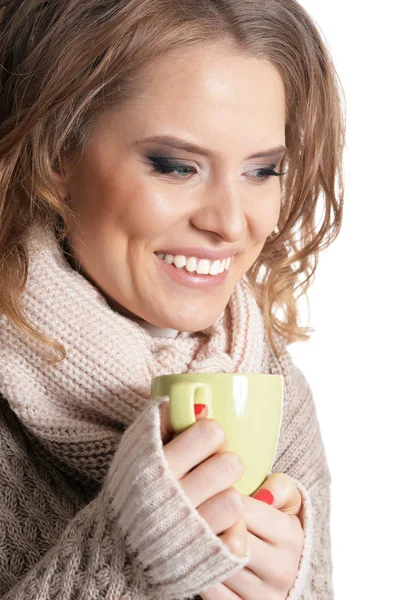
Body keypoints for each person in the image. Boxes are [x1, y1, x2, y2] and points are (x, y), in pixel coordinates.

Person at [0, 0, 345, 598]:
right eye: (177, 166)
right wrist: (123, 556)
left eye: (262, 172)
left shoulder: (276, 395)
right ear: (56, 156)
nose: (231, 224)